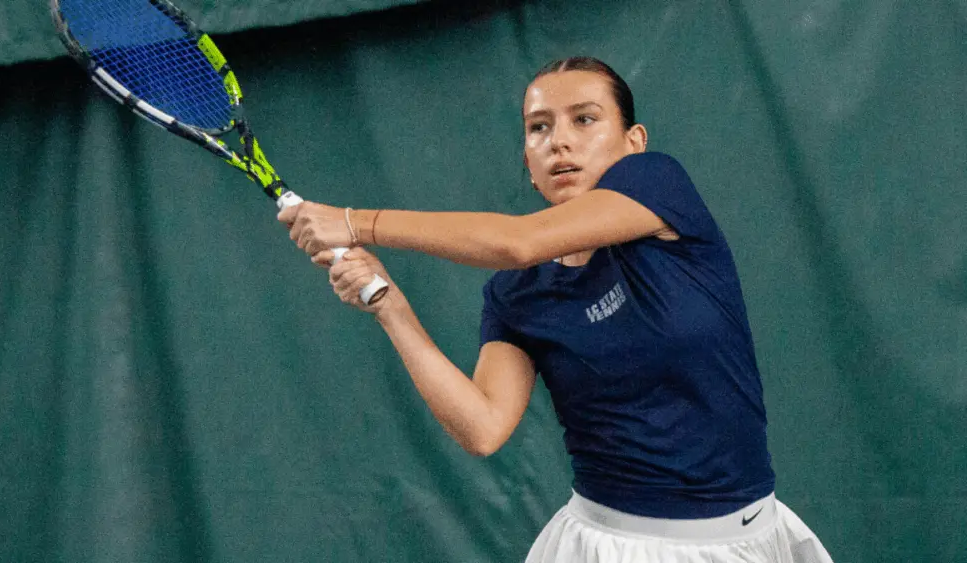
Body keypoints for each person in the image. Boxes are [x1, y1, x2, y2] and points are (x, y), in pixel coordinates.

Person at [277, 57, 834, 562]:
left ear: (634, 142)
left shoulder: (660, 184)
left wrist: (354, 222)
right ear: (528, 158)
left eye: (584, 120)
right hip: (606, 546)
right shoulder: (517, 294)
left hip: (753, 537)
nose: (559, 142)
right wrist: (390, 306)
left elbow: (518, 241)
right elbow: (483, 428)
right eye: (539, 128)